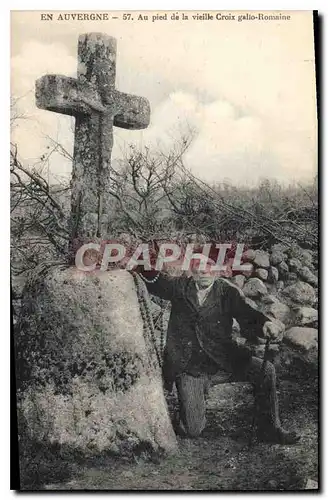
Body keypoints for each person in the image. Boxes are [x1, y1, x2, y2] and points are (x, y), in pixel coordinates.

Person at [137, 256, 300, 445]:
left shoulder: (226, 292)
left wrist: (265, 324)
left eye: (208, 266)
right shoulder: (179, 287)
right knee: (192, 430)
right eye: (198, 266)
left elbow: (246, 313)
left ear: (216, 270)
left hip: (224, 362)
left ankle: (270, 429)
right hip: (191, 367)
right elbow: (155, 282)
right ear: (192, 270)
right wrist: (143, 260)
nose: (204, 271)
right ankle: (184, 412)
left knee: (266, 371)